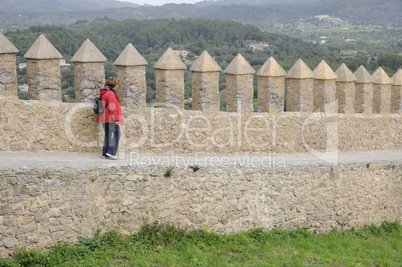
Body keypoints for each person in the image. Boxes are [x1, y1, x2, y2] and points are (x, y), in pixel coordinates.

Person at [97, 77, 124, 160]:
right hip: (110, 118)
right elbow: (112, 108)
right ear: (114, 84)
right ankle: (111, 152)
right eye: (117, 84)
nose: (117, 86)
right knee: (117, 134)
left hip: (103, 117)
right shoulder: (110, 93)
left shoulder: (104, 92)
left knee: (107, 135)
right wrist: (116, 119)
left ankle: (104, 153)